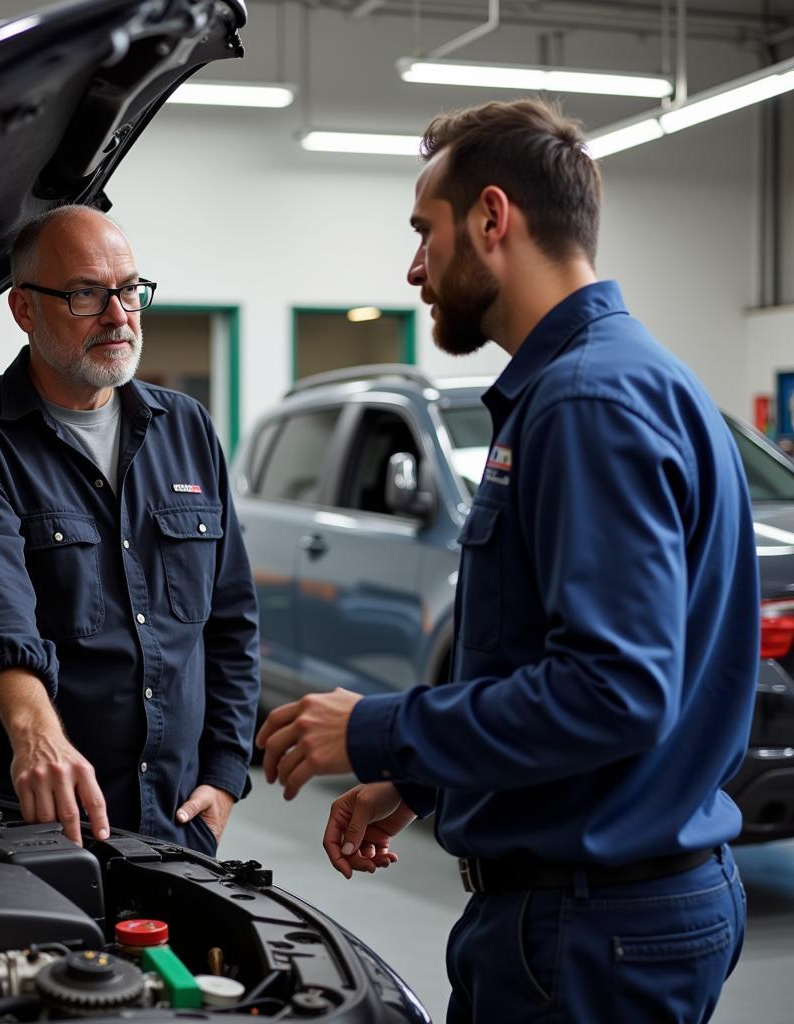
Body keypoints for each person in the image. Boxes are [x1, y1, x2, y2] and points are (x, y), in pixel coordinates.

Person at [256, 100, 759, 1023]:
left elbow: (615, 690)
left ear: (493, 219)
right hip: (613, 905)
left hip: (587, 929)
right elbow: (541, 660)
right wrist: (422, 778)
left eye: (424, 232)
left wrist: (377, 729)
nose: (414, 268)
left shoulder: (585, 402)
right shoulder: (635, 378)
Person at [0, 205, 259, 853]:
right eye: (85, 294)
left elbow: (231, 621)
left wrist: (224, 777)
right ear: (24, 310)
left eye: (129, 290)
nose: (119, 315)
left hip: (175, 821)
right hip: (26, 821)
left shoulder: (186, 429)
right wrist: (37, 738)